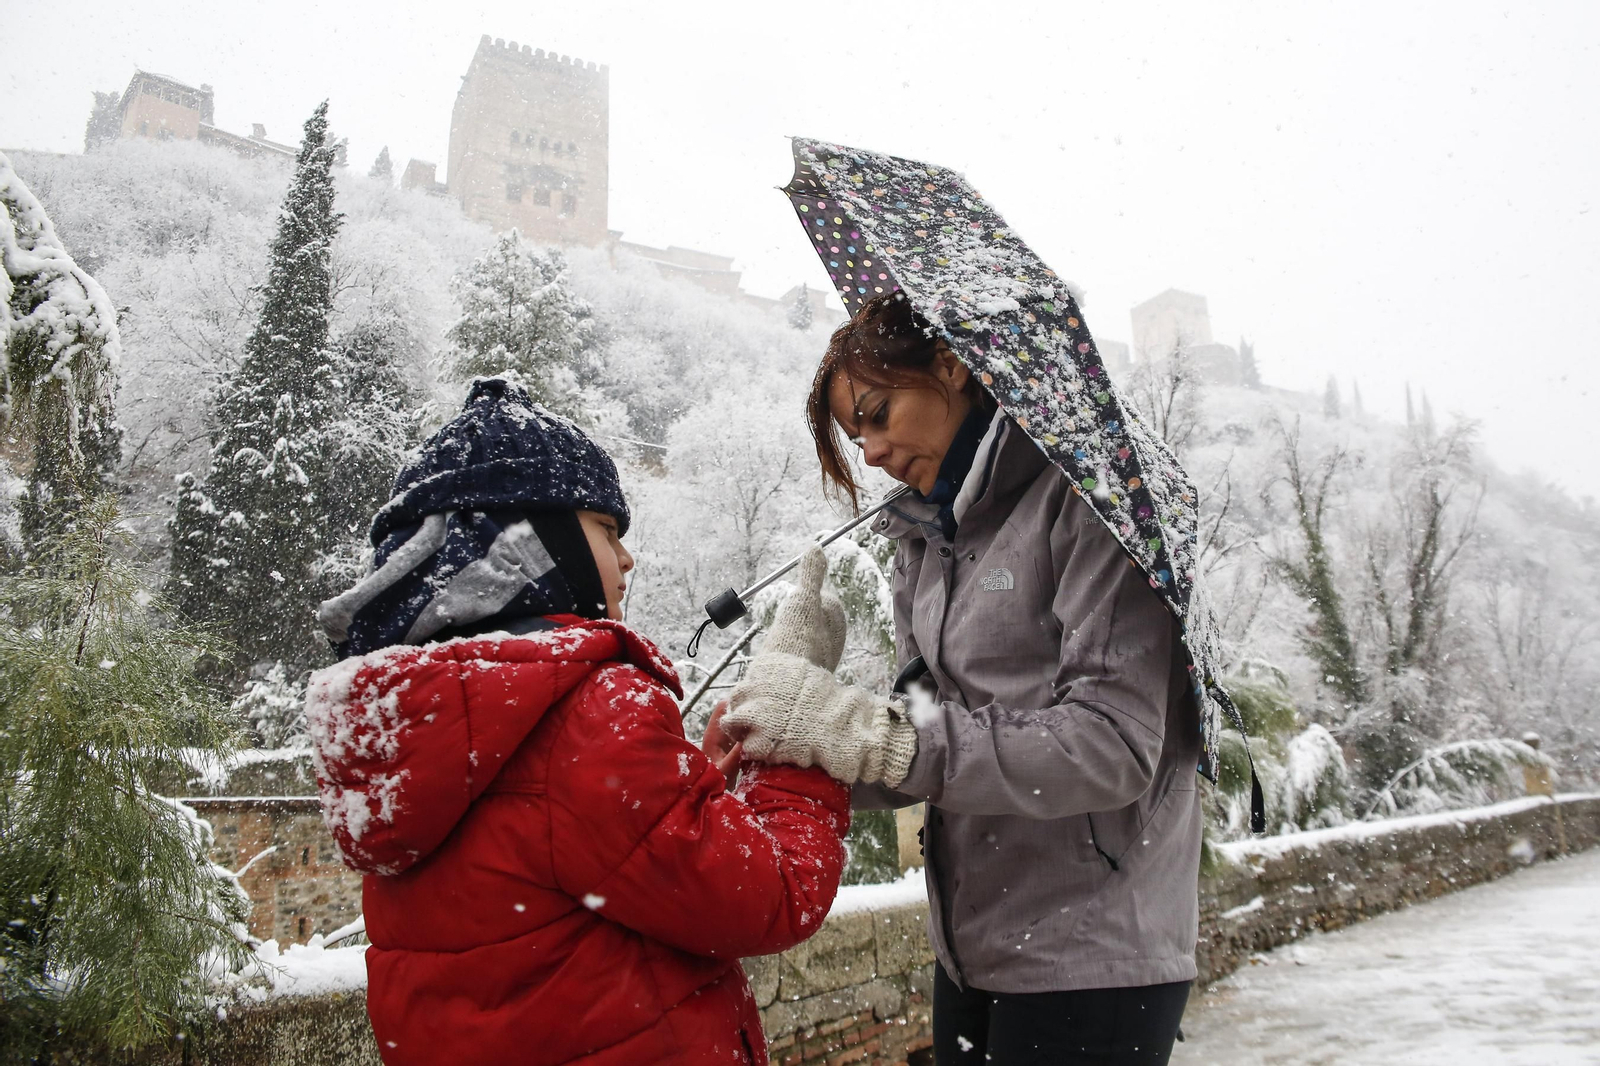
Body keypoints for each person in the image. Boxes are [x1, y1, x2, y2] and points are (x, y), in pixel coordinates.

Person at [307, 377, 852, 1066]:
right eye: (604, 530)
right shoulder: (585, 712)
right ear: (531, 544)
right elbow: (770, 892)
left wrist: (691, 782)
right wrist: (795, 724)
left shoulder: (415, 730)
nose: (628, 559)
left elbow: (559, 857)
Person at [722, 294, 1202, 1065]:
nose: (869, 451)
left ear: (950, 366)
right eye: (855, 435)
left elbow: (1112, 744)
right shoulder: (924, 540)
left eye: (878, 414)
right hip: (972, 946)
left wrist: (876, 738)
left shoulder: (1091, 502)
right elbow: (929, 733)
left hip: (1094, 949)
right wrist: (798, 736)